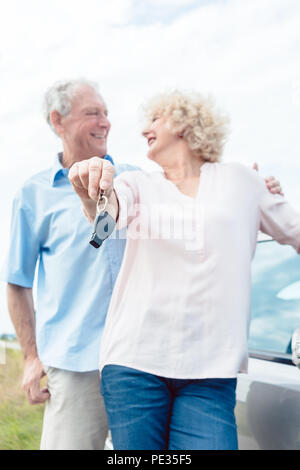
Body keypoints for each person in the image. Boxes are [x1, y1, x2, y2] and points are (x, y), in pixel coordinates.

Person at [69, 90, 300, 451]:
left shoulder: (243, 181)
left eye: (155, 119)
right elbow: (103, 228)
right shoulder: (137, 184)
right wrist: (90, 194)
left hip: (211, 370)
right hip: (134, 364)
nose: (145, 128)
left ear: (185, 122)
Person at [1, 79, 139, 450]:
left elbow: (193, 204)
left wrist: (257, 186)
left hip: (141, 363)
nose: (105, 122)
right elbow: (17, 283)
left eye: (107, 113)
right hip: (76, 367)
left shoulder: (135, 179)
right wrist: (31, 357)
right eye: (93, 112)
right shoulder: (33, 195)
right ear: (58, 121)